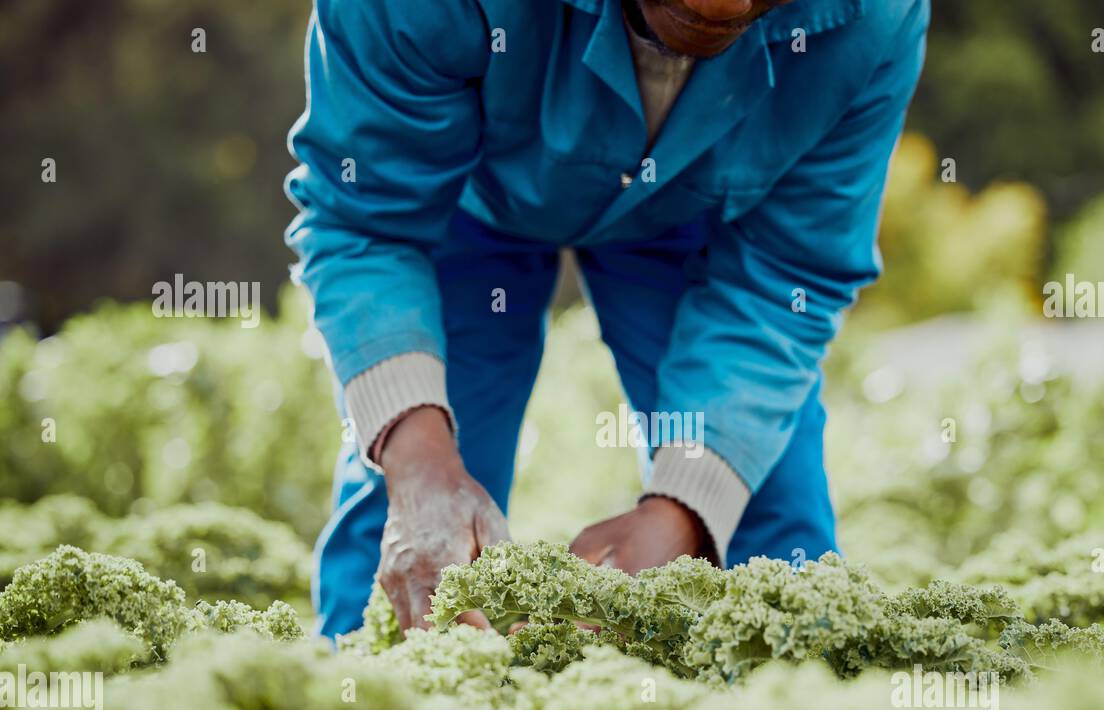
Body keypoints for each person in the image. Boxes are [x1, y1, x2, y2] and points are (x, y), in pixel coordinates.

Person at [286, 0, 928, 639]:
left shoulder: (875, 16)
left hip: (685, 210)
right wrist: (419, 459)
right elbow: (366, 219)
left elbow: (789, 270)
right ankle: (367, 700)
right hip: (462, 199)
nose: (722, 4)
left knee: (765, 541)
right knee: (423, 534)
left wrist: (685, 507)